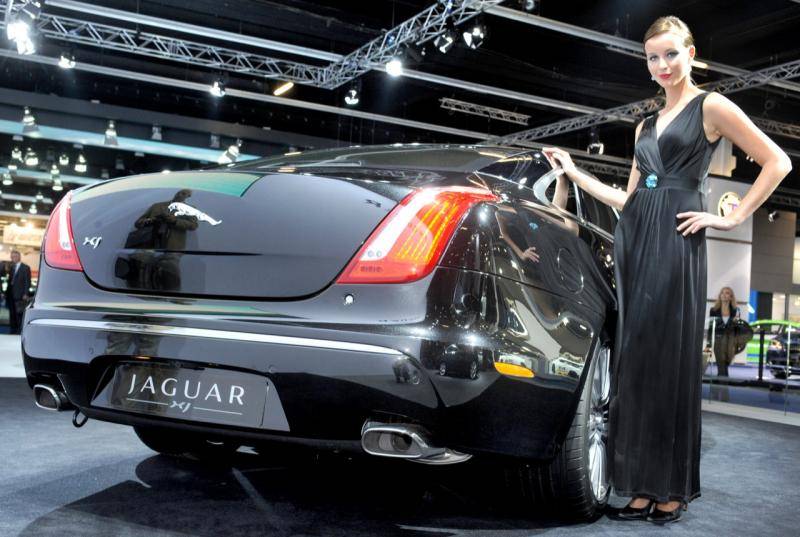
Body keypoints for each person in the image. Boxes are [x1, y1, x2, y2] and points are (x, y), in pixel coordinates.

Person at [542, 15, 791, 524]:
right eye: (653, 57)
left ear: (691, 53)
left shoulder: (711, 106)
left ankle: (670, 489)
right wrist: (575, 173)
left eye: (671, 54)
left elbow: (778, 162)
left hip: (677, 243)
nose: (662, 66)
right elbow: (629, 198)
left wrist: (731, 217)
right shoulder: (644, 126)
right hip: (638, 240)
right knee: (637, 364)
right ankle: (640, 488)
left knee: (668, 363)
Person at [706, 286, 741, 377]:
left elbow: (737, 328)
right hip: (718, 340)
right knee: (721, 363)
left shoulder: (735, 311)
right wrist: (709, 343)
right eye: (722, 293)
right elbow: (711, 327)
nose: (724, 295)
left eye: (727, 293)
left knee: (725, 364)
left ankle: (721, 381)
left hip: (731, 341)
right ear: (720, 296)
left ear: (731, 297)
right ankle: (723, 381)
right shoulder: (714, 310)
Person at [5, 249, 31, 335]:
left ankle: (19, 332)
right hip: (10, 295)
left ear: (19, 256)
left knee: (19, 314)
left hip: (20, 295)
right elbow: (10, 282)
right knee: (12, 314)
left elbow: (27, 281)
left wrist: (25, 293)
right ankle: (12, 331)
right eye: (12, 257)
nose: (13, 258)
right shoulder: (12, 268)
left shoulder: (25, 268)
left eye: (14, 256)